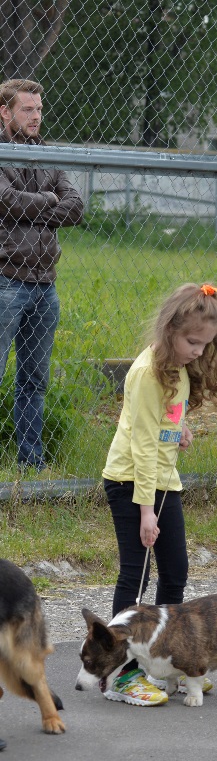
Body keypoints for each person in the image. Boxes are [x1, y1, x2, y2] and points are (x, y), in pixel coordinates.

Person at [101, 283, 217, 705]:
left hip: (163, 480)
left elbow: (163, 419)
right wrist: (145, 513)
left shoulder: (176, 369)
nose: (198, 351)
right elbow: (139, 444)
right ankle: (121, 673)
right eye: (192, 341)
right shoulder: (145, 372)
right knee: (135, 576)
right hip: (132, 484)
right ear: (170, 328)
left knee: (175, 570)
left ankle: (166, 659)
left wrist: (179, 430)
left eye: (205, 344)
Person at [0, 78, 84, 470]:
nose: (36, 117)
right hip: (6, 280)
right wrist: (48, 200)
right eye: (27, 110)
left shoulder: (46, 154)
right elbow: (5, 201)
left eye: (38, 109)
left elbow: (75, 207)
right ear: (5, 112)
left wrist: (31, 206)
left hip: (45, 284)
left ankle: (31, 461)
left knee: (34, 380)